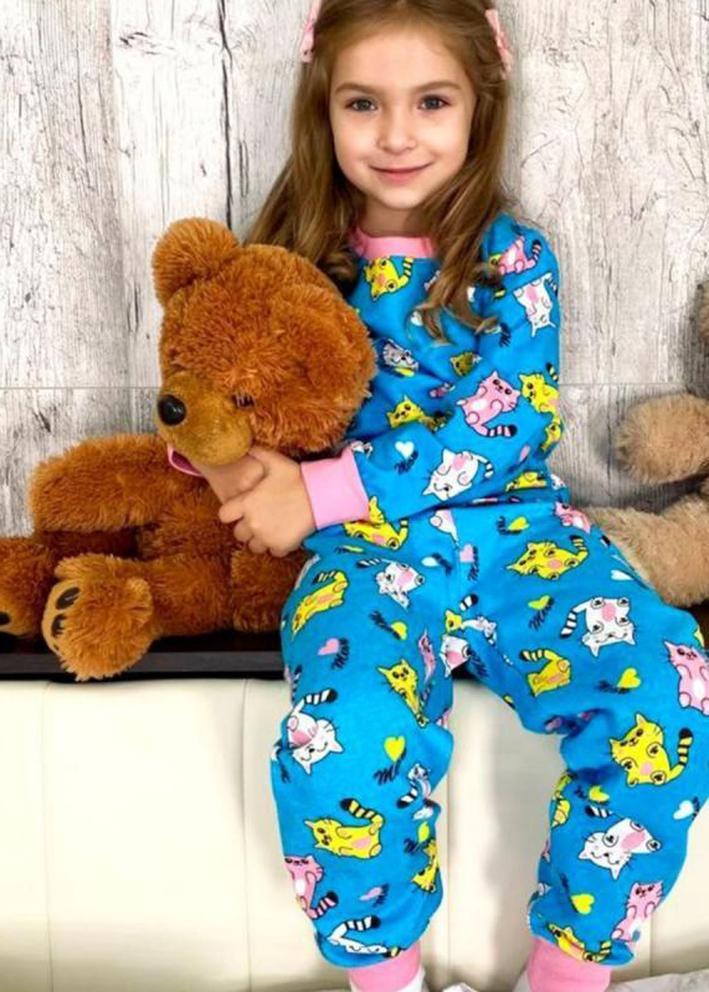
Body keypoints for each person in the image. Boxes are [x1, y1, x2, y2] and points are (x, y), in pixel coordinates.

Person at [167, 3, 709, 992]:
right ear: (321, 108)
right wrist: (225, 466)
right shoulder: (289, 269)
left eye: (430, 101)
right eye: (362, 103)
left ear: (479, 107)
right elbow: (222, 400)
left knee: (668, 685)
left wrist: (323, 487)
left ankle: (569, 970)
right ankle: (384, 976)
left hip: (521, 541)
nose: (395, 133)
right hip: (367, 556)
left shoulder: (515, 262)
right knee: (344, 733)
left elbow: (506, 427)